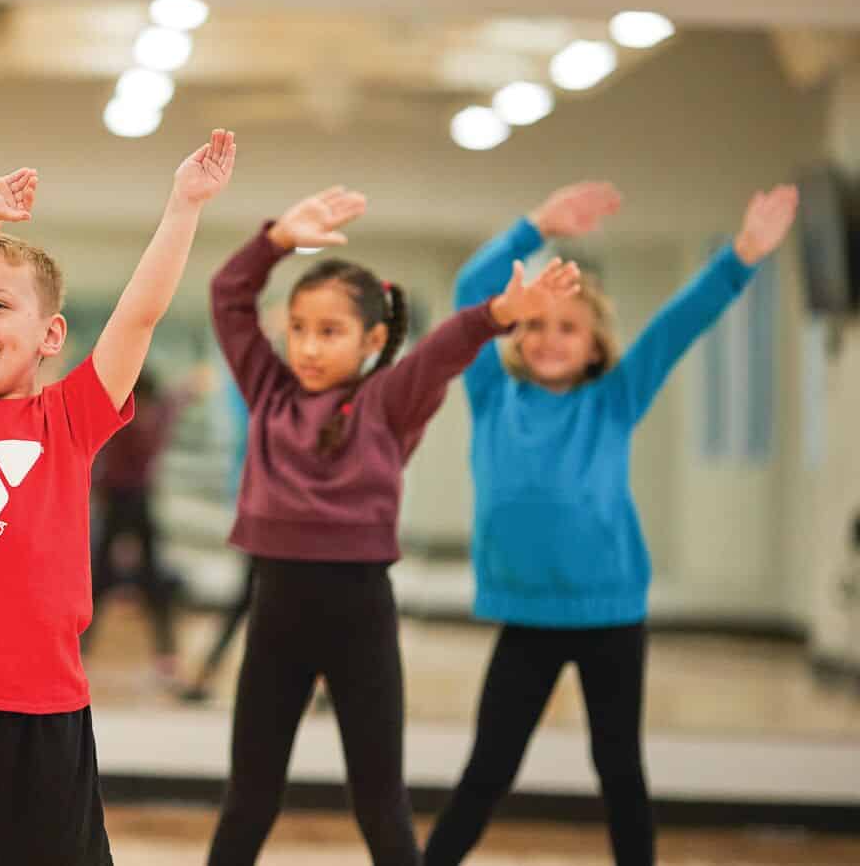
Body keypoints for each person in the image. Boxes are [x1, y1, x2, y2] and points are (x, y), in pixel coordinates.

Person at [0, 130, 237, 865]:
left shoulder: (70, 418)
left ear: (50, 334)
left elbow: (138, 315)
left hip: (41, 708)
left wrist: (184, 206)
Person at [424, 181, 799, 866]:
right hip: (526, 619)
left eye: (568, 327)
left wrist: (743, 254)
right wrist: (536, 224)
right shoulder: (490, 392)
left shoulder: (616, 397)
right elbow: (470, 289)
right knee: (488, 770)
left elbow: (679, 323)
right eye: (535, 323)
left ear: (596, 343)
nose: (548, 338)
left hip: (610, 619)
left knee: (620, 770)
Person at [205, 185, 581, 866]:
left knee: (380, 802)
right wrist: (278, 240)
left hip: (359, 614)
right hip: (277, 608)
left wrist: (498, 313)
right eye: (298, 329)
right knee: (250, 796)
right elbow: (228, 295)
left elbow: (442, 350)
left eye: (330, 331)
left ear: (374, 340)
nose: (309, 347)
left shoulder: (387, 401)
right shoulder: (266, 387)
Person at [83, 366, 205, 686]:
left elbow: (176, 398)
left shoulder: (134, 415)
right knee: (102, 579)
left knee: (122, 578)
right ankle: (162, 655)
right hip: (122, 503)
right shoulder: (145, 417)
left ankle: (163, 654)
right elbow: (176, 400)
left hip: (128, 503)